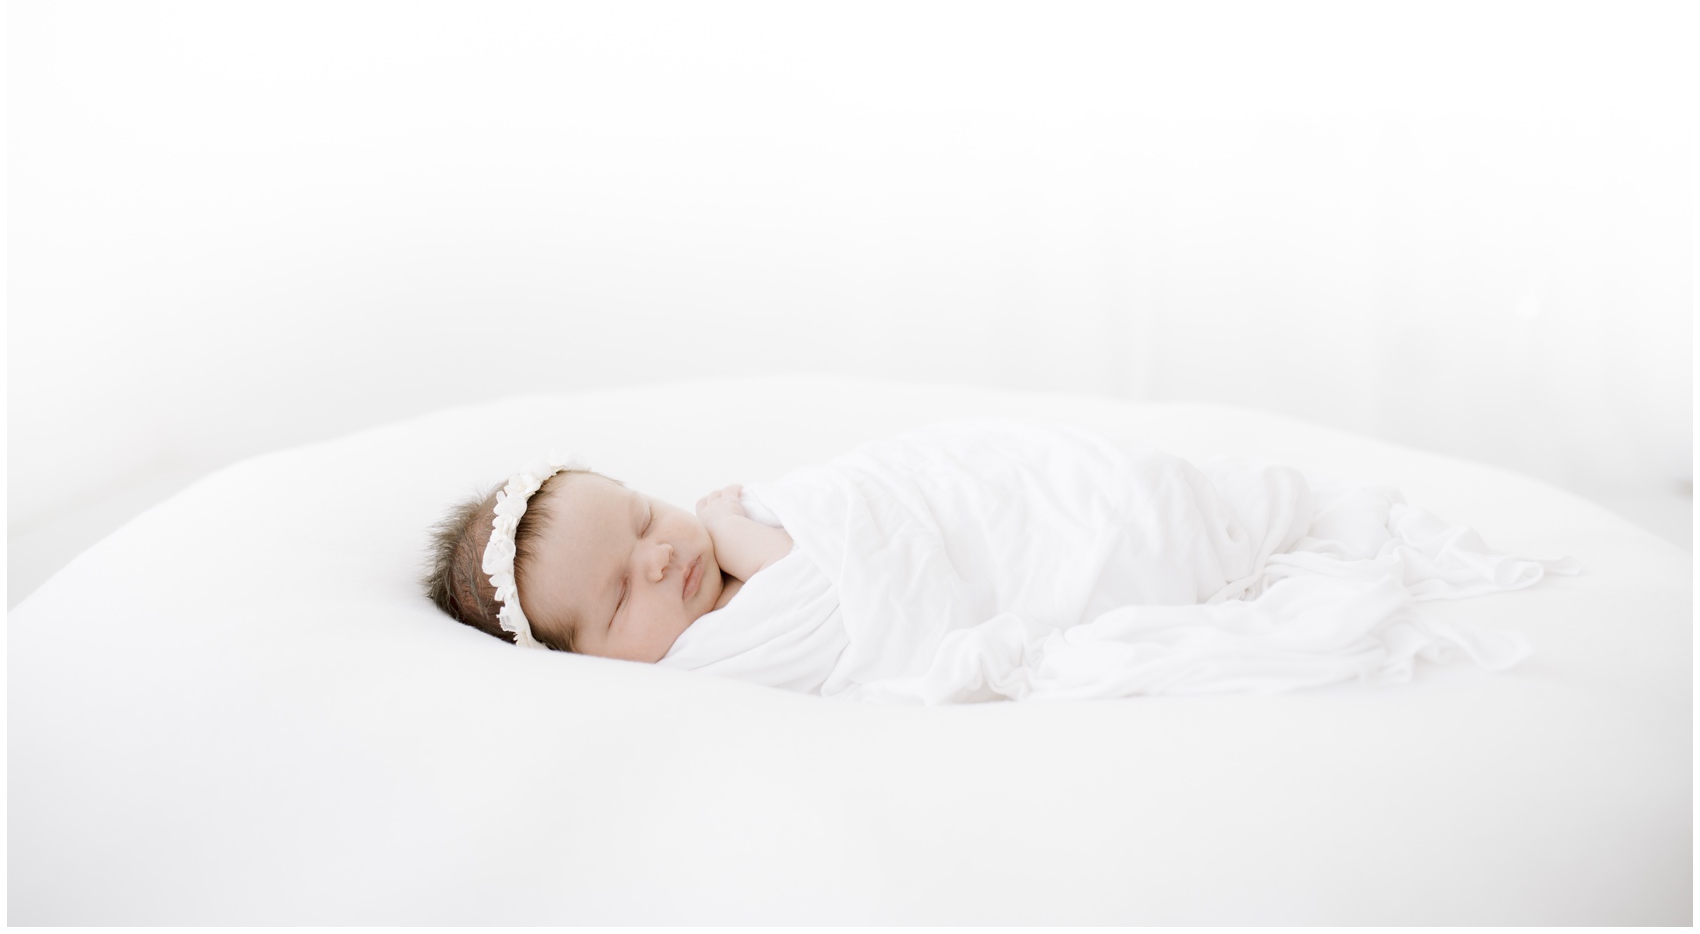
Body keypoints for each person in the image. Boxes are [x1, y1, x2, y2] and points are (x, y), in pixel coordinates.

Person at [424, 418, 1575, 703]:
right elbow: (847, 589)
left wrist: (756, 518)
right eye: (623, 590)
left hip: (1002, 515)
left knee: (1091, 490)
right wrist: (742, 532)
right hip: (972, 578)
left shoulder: (746, 518)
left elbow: (916, 496)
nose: (663, 553)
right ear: (596, 662)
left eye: (638, 516)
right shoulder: (719, 652)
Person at [424, 465, 793, 662]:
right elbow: (816, 575)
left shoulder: (754, 512)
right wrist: (730, 529)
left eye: (646, 520)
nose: (660, 557)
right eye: (622, 593)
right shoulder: (702, 655)